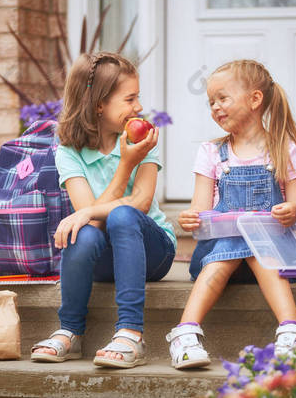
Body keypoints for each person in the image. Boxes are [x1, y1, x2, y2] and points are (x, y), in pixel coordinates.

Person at [30, 52, 176, 369]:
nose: (138, 107)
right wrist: (124, 166)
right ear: (99, 104)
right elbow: (90, 219)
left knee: (122, 216)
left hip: (153, 251)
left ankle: (130, 333)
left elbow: (141, 203)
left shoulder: (144, 139)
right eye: (130, 98)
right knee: (82, 234)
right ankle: (70, 331)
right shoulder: (69, 150)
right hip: (105, 254)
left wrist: (127, 162)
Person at [166, 59, 296, 369]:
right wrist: (190, 217)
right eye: (211, 102)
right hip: (219, 257)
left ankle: (291, 333)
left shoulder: (284, 149)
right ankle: (186, 334)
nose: (215, 107)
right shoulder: (210, 151)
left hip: (274, 258)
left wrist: (292, 212)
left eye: (223, 98)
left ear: (255, 99)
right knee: (235, 244)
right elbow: (201, 212)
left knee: (258, 248)